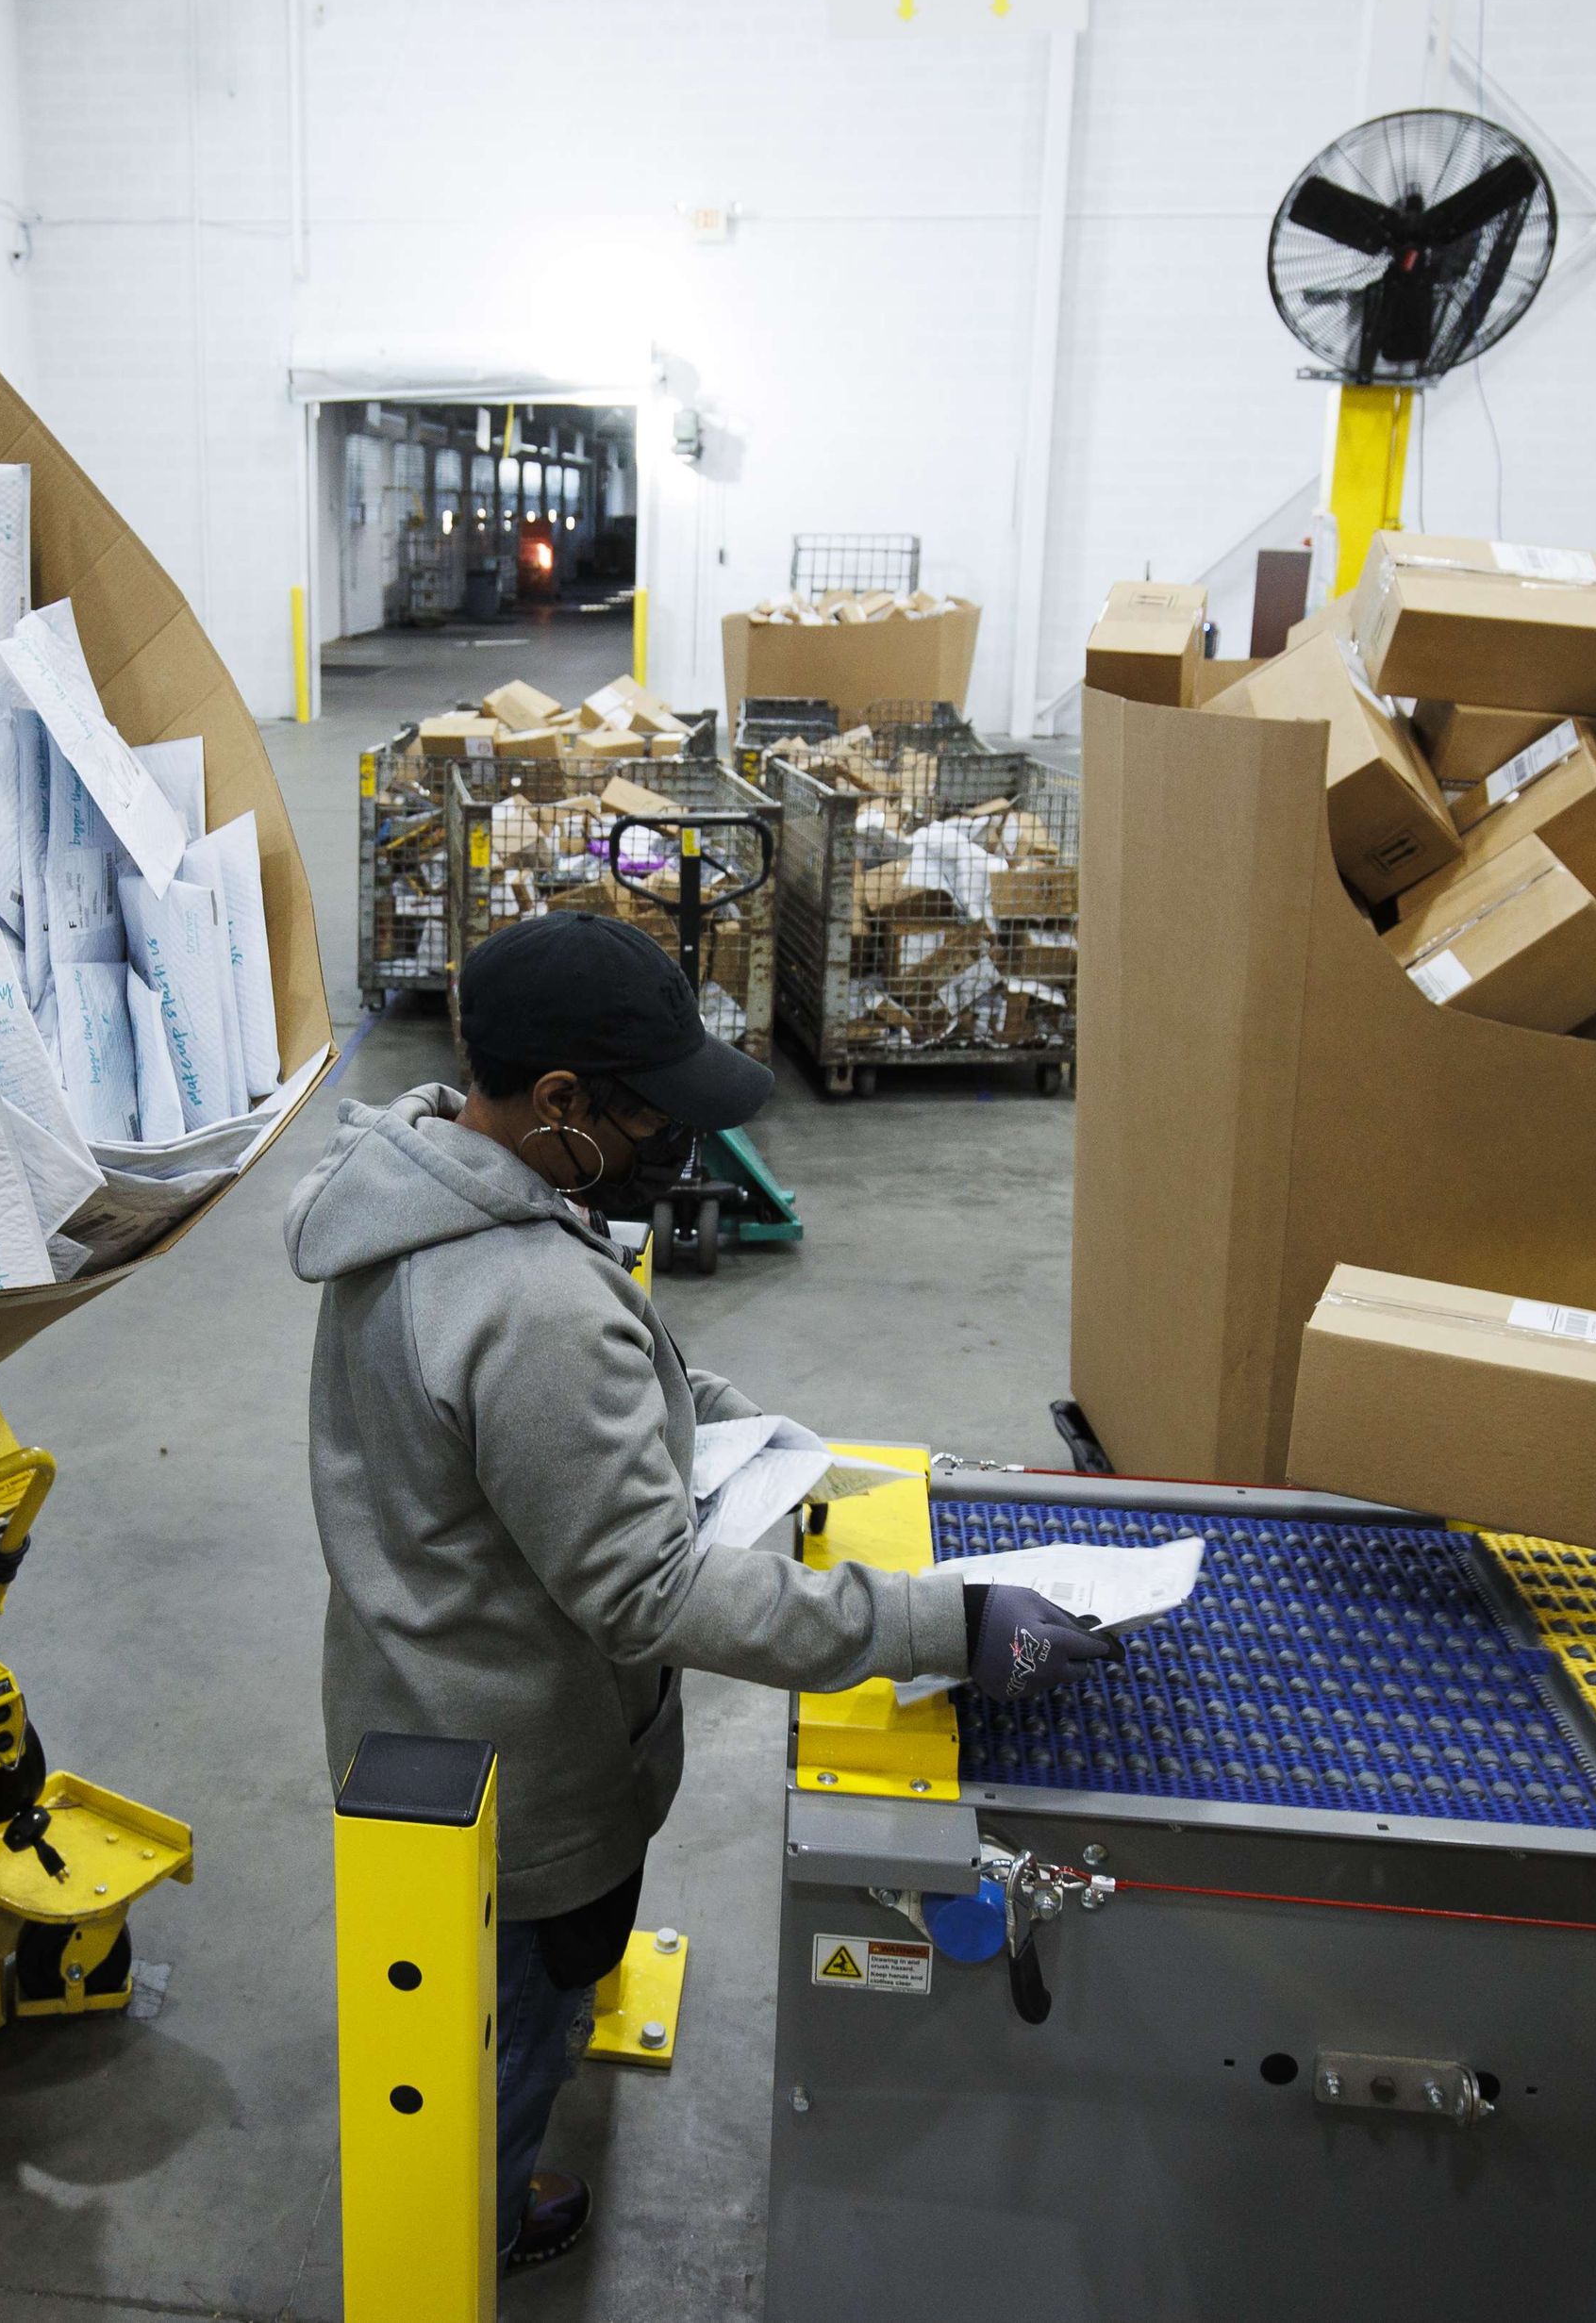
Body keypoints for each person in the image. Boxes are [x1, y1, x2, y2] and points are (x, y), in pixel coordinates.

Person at [285, 910, 1113, 2269]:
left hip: (416, 1685)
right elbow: (649, 1592)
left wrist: (753, 1433)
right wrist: (946, 1621)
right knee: (511, 2028)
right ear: (561, 1100)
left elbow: (602, 1381)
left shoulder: (425, 1181)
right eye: (652, 1109)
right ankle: (477, 2225)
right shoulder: (527, 1301)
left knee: (496, 2003)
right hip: (517, 1771)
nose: (676, 1138)